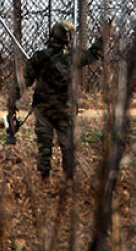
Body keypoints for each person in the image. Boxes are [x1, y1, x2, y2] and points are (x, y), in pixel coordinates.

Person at [17, 20, 103, 181]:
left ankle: (44, 178)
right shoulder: (73, 58)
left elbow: (24, 81)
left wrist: (12, 100)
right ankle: (69, 180)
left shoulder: (40, 57)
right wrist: (104, 37)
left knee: (44, 146)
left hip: (44, 110)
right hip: (65, 110)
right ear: (69, 38)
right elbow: (94, 54)